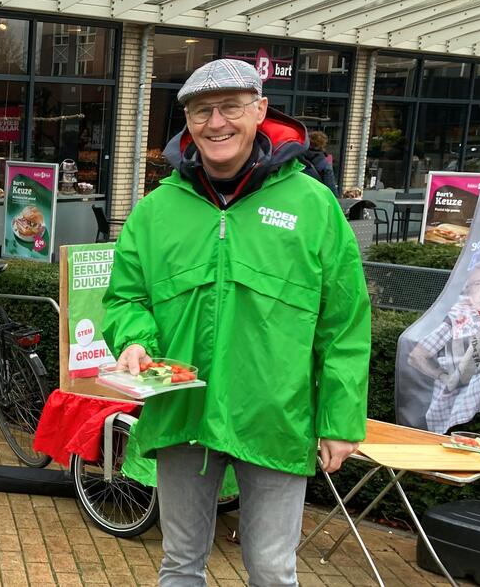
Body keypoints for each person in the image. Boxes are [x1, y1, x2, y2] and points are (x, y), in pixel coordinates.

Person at [102, 59, 371, 587]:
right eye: (202, 110)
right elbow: (126, 297)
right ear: (187, 122)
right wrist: (133, 341)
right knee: (180, 563)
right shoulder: (155, 211)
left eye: (231, 107)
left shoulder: (313, 206)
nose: (216, 122)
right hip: (184, 412)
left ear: (260, 111)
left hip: (275, 416)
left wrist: (341, 419)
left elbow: (345, 321)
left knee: (271, 571)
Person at [408, 260, 480, 434]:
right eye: (478, 284)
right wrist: (441, 375)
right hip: (450, 409)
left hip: (477, 404)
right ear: (467, 289)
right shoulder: (455, 319)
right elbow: (416, 356)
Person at [302, 130, 339, 197]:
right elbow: (330, 185)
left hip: (300, 193)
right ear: (323, 145)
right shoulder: (325, 162)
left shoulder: (297, 157)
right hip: (316, 196)